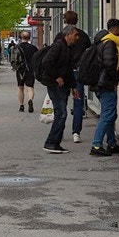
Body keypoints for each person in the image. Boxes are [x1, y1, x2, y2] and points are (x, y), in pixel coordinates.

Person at [37, 24, 81, 153]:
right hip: (56, 85)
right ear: (68, 34)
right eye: (75, 34)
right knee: (61, 113)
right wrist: (57, 77)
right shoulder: (58, 46)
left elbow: (67, 70)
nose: (77, 37)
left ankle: (55, 142)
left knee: (61, 114)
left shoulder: (67, 48)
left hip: (62, 85)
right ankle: (51, 142)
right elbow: (46, 62)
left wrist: (73, 86)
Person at [89, 18, 119, 157]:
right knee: (107, 114)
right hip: (105, 84)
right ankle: (96, 145)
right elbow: (109, 64)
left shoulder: (103, 42)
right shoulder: (109, 44)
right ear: (115, 29)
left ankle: (111, 143)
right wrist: (114, 80)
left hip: (99, 83)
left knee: (110, 114)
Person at [61, 10, 91, 143]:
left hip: (63, 72)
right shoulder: (83, 36)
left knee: (61, 102)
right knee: (78, 102)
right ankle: (76, 133)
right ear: (77, 20)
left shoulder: (61, 36)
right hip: (78, 72)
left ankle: (59, 131)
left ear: (65, 20)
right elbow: (89, 53)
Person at [11, 30, 37, 112]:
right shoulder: (33, 48)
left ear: (20, 38)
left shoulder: (16, 47)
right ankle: (30, 100)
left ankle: (21, 106)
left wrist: (15, 67)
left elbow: (13, 60)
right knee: (30, 88)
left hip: (20, 70)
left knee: (20, 88)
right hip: (30, 70)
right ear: (29, 38)